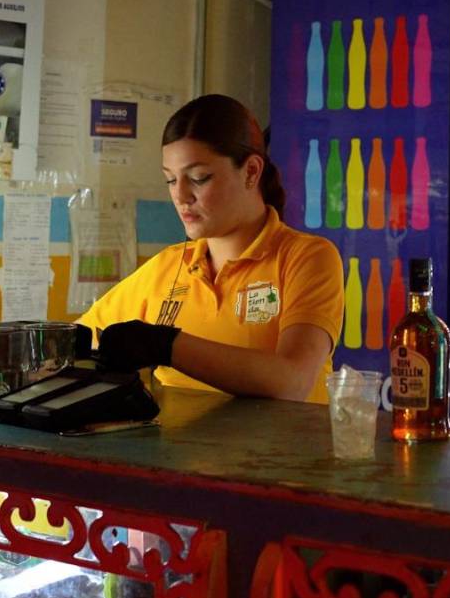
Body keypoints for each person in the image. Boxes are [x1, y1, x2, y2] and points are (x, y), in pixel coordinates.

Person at [77, 94, 344, 402]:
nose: (180, 196)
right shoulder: (168, 266)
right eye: (170, 180)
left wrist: (167, 346)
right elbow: (80, 337)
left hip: (278, 450)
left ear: (252, 172)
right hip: (179, 449)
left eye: (198, 178)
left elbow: (292, 380)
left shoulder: (305, 257)